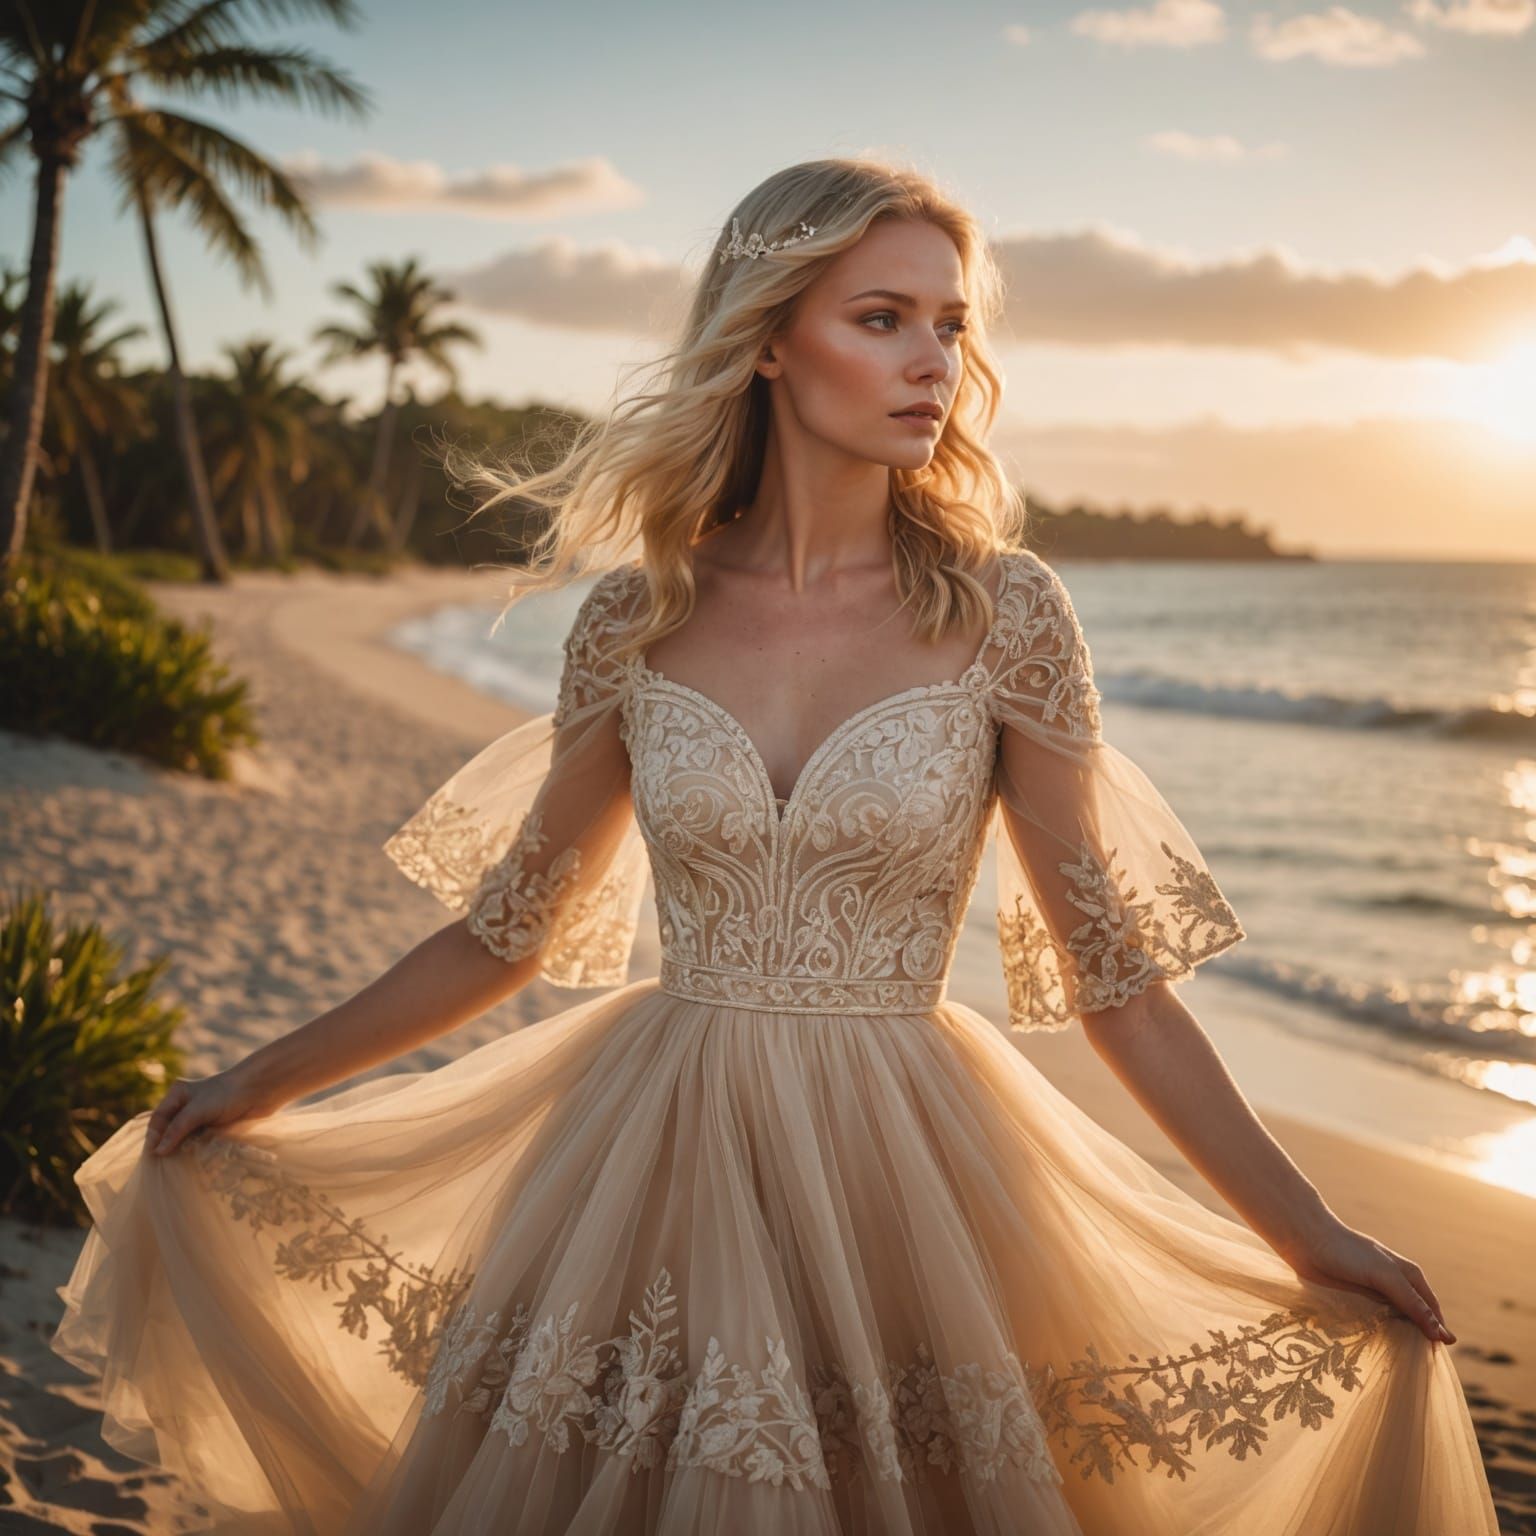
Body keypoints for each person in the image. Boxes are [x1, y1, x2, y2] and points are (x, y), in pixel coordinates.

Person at [51, 157, 1499, 1535]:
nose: (933, 361)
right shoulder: (635, 619)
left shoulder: (1007, 613)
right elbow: (505, 934)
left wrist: (1311, 1234)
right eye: (882, 319)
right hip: (655, 1161)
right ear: (764, 344)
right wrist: (258, 1080)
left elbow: (1115, 979)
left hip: (909, 1176)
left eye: (950, 324)